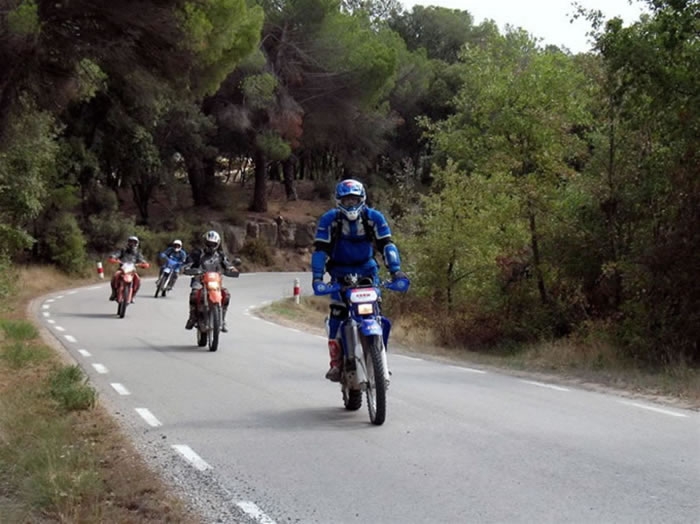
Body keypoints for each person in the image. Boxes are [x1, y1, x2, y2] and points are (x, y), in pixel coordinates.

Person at [311, 179, 407, 382]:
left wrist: (396, 271)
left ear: (362, 199)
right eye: (346, 200)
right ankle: (336, 363)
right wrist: (318, 278)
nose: (350, 204)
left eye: (354, 199)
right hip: (340, 273)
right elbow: (321, 250)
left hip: (368, 272)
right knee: (338, 312)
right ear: (339, 200)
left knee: (376, 312)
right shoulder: (330, 220)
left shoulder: (374, 217)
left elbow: (387, 245)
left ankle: (380, 357)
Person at [182, 230, 239, 333]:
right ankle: (192, 317)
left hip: (215, 282)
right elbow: (189, 262)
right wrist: (188, 268)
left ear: (217, 244)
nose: (211, 246)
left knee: (226, 295)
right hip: (199, 280)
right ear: (205, 242)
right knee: (194, 294)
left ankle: (222, 320)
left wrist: (232, 269)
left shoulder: (220, 255)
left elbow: (227, 264)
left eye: (213, 244)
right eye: (209, 243)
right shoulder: (198, 253)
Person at [109, 236, 148, 302]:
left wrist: (144, 263)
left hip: (132, 270)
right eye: (130, 242)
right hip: (122, 269)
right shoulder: (123, 250)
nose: (132, 244)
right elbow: (117, 254)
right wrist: (113, 257)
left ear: (137, 244)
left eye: (134, 242)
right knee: (115, 276)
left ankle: (133, 295)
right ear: (128, 242)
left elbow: (141, 259)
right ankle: (114, 293)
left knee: (138, 280)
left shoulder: (137, 253)